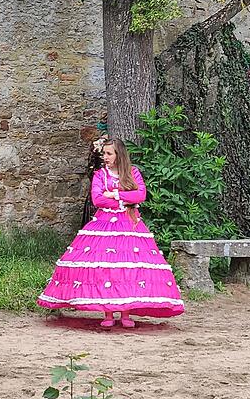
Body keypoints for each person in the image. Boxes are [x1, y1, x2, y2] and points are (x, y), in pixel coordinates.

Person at [37, 138, 184, 327]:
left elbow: (140, 195)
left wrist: (114, 195)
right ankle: (108, 314)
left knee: (128, 267)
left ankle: (125, 313)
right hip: (104, 224)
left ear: (118, 155)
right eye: (104, 153)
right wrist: (126, 199)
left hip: (129, 224)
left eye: (109, 153)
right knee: (106, 267)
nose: (105, 157)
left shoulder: (132, 173)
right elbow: (98, 199)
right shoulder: (100, 175)